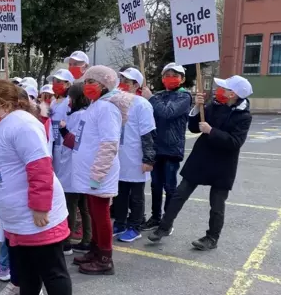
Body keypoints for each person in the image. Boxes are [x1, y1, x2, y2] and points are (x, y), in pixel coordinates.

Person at [0, 80, 80, 295]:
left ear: (7, 103)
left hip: (38, 216)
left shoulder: (22, 124)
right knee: (24, 270)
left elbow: (39, 166)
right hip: (13, 218)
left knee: (52, 272)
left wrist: (39, 205)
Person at [148, 76, 253, 249]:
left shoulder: (244, 116)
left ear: (233, 94)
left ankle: (212, 238)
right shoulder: (214, 106)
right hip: (201, 158)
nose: (219, 90)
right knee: (179, 194)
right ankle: (164, 227)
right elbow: (194, 127)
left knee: (217, 204)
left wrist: (212, 131)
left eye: (223, 88)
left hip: (223, 165)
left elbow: (235, 142)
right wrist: (197, 108)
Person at [71, 66, 133, 275]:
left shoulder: (107, 108)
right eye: (86, 82)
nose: (87, 86)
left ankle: (105, 258)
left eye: (92, 82)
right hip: (91, 171)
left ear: (104, 85)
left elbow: (109, 143)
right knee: (94, 212)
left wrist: (98, 173)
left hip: (99, 172)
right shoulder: (97, 105)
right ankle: (95, 250)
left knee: (101, 213)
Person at [140, 63, 192, 232]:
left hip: (172, 148)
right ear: (162, 79)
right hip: (156, 148)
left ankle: (167, 221)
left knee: (170, 186)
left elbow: (167, 112)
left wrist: (151, 99)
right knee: (156, 185)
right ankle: (155, 217)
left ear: (182, 79)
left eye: (175, 75)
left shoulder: (184, 97)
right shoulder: (159, 95)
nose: (171, 78)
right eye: (167, 75)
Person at [112, 67, 156, 243]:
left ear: (136, 85)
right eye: (121, 79)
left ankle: (135, 226)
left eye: (127, 81)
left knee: (136, 196)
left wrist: (148, 158)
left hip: (136, 158)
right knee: (120, 194)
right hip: (119, 157)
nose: (122, 84)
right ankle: (120, 223)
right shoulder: (115, 101)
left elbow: (148, 134)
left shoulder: (142, 104)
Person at [56, 83, 92, 254]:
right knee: (84, 206)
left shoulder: (80, 116)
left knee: (70, 205)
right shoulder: (84, 114)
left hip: (73, 167)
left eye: (71, 98)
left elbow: (73, 142)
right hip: (79, 167)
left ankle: (66, 241)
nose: (68, 101)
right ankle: (87, 239)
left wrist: (63, 130)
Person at [47, 69, 75, 175]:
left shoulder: (69, 102)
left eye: (59, 82)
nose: (55, 84)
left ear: (68, 84)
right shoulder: (53, 102)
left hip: (64, 145)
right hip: (54, 143)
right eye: (53, 81)